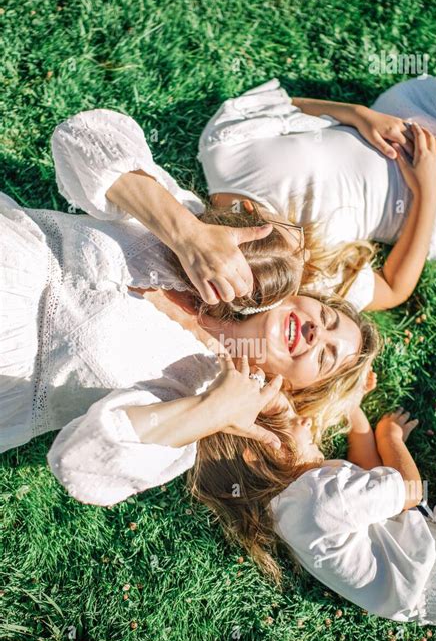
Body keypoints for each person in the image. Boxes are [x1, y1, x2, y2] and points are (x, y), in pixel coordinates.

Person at [0, 109, 378, 504]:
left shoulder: (193, 389)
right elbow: (80, 138)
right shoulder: (211, 236)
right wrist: (185, 232)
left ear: (296, 386)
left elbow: (79, 461)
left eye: (325, 356)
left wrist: (211, 409)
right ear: (301, 296)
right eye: (327, 317)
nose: (319, 334)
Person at [190, 384, 436, 628]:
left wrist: (351, 406)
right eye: (290, 420)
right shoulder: (317, 497)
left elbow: (366, 471)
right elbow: (409, 489)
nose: (306, 422)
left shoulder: (287, 507)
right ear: (257, 455)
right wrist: (390, 437)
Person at [199, 75, 436, 310]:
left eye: (298, 244)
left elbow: (287, 108)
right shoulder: (293, 274)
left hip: (412, 121)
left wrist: (357, 114)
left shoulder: (224, 151)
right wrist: (428, 191)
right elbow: (392, 289)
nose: (308, 254)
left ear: (250, 214)